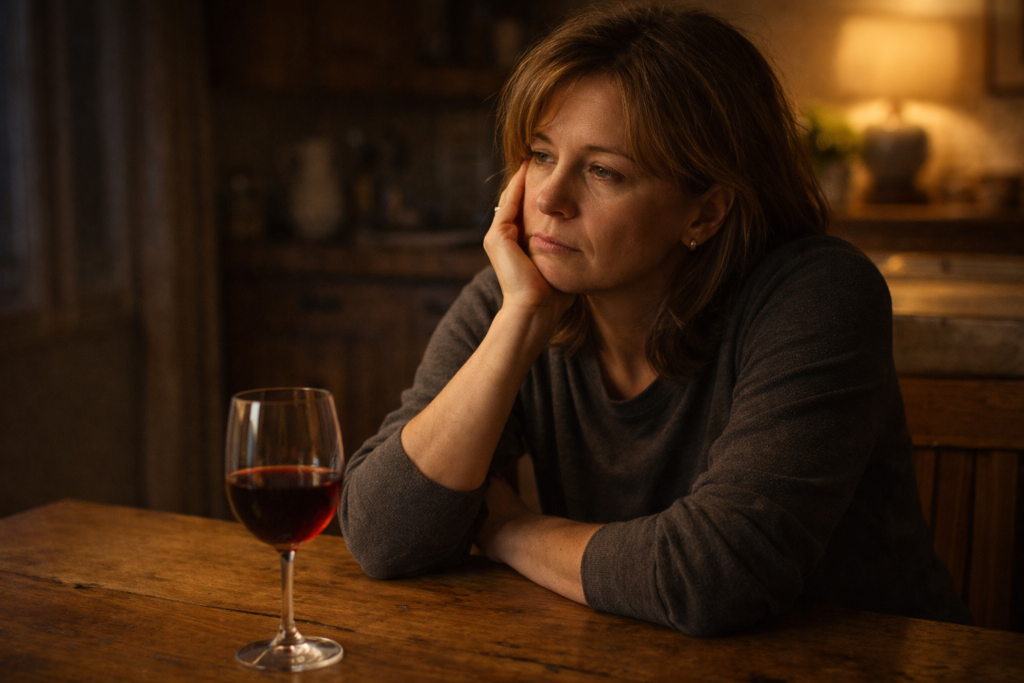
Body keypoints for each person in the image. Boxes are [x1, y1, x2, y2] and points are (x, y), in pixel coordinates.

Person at [339, 5, 971, 636]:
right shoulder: (518, 296)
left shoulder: (817, 295)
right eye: (540, 155)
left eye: (603, 171)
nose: (549, 199)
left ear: (705, 214)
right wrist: (519, 323)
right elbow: (381, 535)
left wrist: (506, 528)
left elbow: (716, 576)